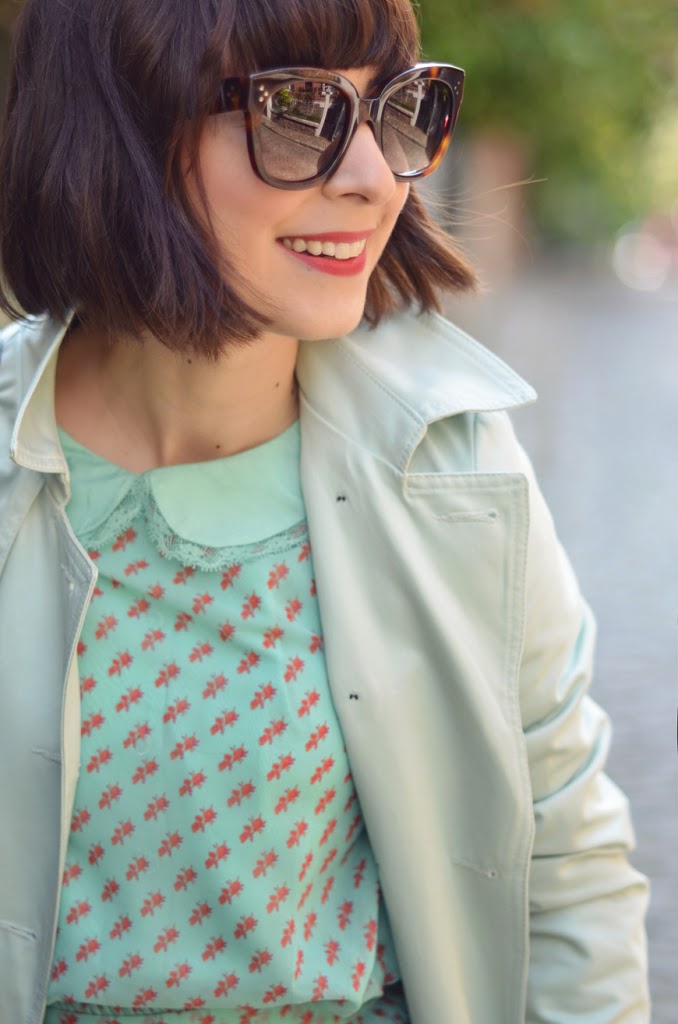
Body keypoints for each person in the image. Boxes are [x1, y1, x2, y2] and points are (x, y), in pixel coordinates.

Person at [0, 0, 650, 1022]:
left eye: (395, 110)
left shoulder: (456, 462)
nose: (375, 178)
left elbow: (565, 863)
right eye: (300, 112)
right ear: (120, 124)